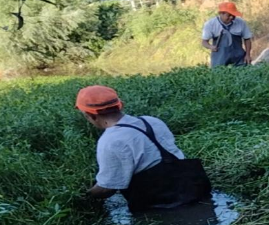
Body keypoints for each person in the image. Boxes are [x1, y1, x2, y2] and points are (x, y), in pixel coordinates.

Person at [75, 85, 211, 212]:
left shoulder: (110, 142)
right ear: (120, 105)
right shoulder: (151, 121)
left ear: (90, 115)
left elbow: (107, 189)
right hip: (196, 190)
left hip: (161, 206)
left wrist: (82, 196)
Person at [201, 2, 253, 67]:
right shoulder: (210, 24)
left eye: (233, 15)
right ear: (221, 14)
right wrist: (211, 47)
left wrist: (248, 55)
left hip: (238, 57)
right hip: (219, 58)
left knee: (244, 73)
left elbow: (247, 39)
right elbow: (204, 42)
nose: (231, 17)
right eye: (229, 15)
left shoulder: (241, 22)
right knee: (219, 74)